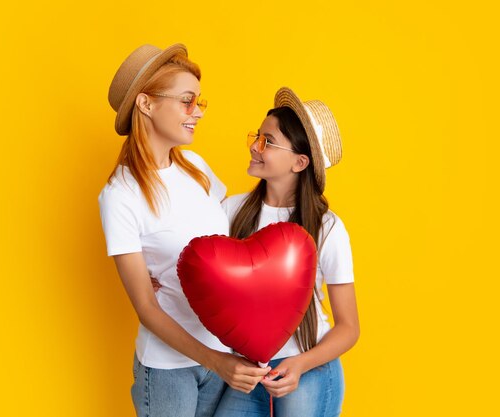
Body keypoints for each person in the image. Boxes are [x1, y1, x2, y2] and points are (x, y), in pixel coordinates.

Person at [98, 44, 270, 417]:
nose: (198, 113)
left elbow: (235, 237)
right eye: (187, 101)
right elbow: (146, 307)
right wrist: (216, 361)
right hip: (169, 369)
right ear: (146, 104)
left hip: (223, 354)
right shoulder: (120, 196)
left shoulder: (194, 166)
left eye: (199, 102)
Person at [214, 87, 360, 417]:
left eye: (268, 141)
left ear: (299, 162)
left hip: (309, 370)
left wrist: (300, 364)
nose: (254, 146)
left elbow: (349, 327)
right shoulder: (230, 211)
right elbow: (201, 270)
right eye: (257, 136)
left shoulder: (327, 228)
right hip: (247, 372)